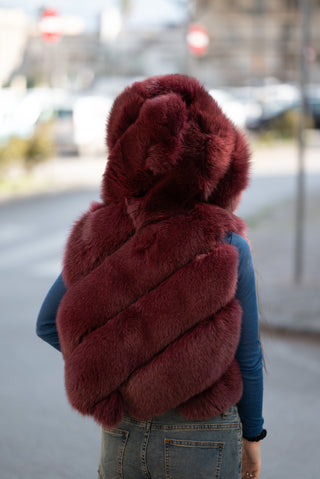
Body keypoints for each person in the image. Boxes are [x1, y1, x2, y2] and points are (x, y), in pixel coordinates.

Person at [36, 74, 266, 479]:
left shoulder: (98, 234)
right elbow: (247, 357)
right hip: (203, 433)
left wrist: (125, 370)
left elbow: (48, 323)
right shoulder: (226, 242)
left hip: (123, 434)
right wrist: (252, 438)